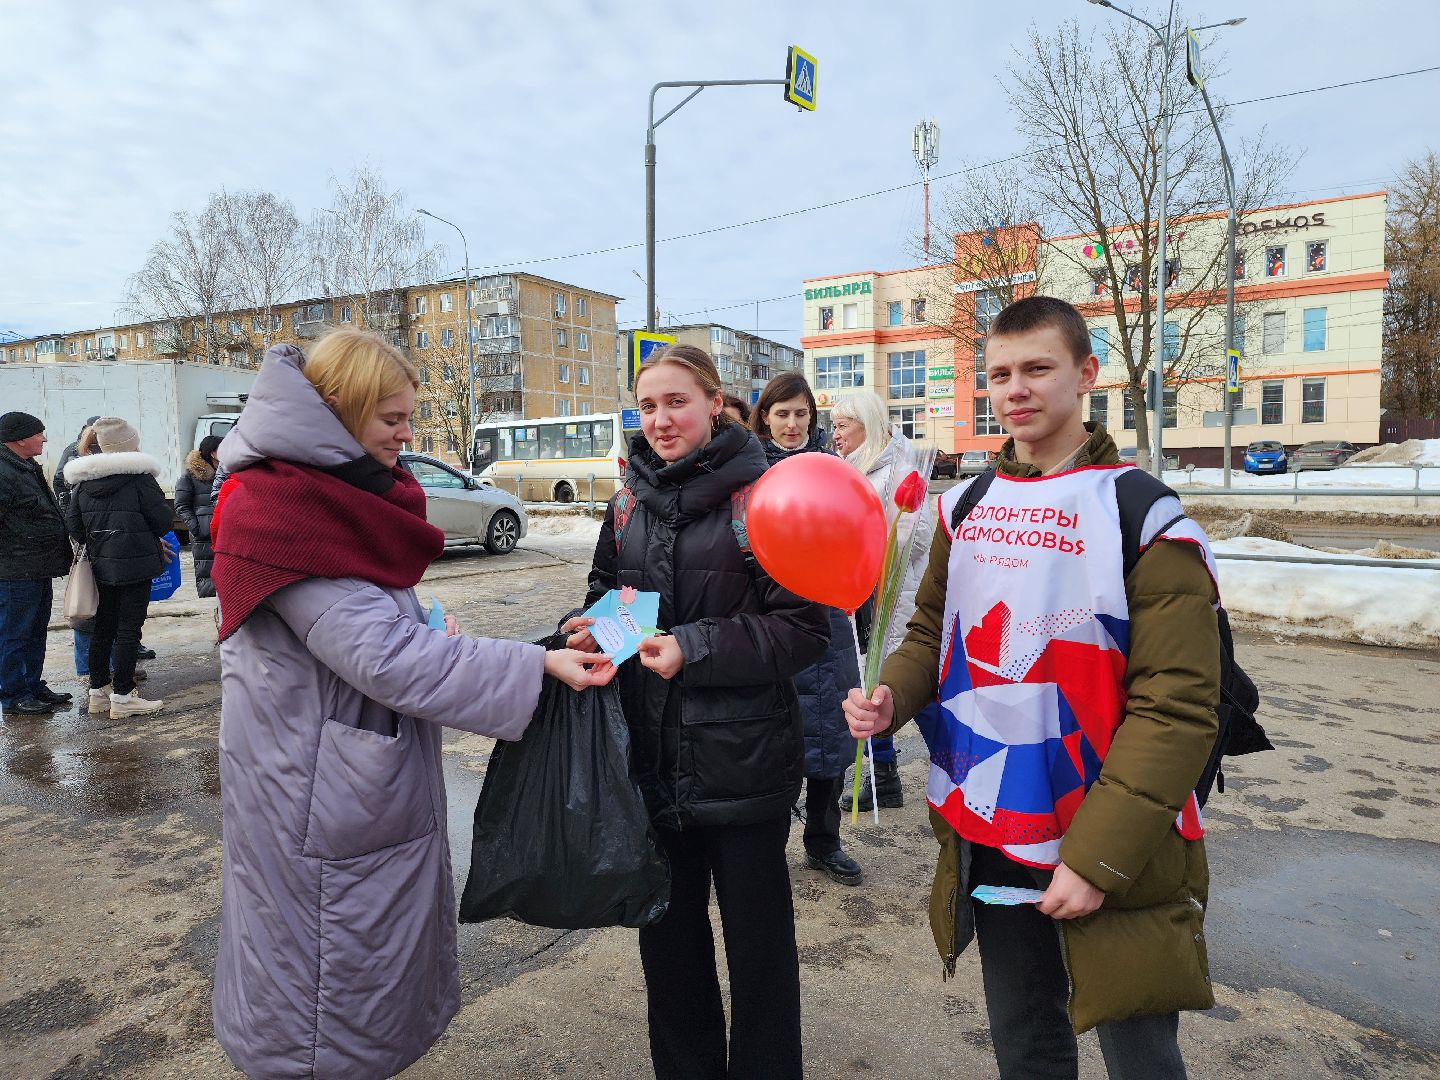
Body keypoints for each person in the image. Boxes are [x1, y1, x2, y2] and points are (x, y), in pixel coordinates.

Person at [209, 333, 609, 1080]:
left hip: (325, 779)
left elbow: (367, 632)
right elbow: (385, 659)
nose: (407, 435)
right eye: (391, 418)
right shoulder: (285, 514)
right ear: (339, 411)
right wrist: (535, 664)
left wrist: (424, 627)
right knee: (322, 1006)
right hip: (318, 797)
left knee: (333, 985)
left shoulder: (314, 496)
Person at [843, 296, 1220, 1080]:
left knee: (1141, 1055)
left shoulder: (1142, 514)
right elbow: (927, 633)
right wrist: (891, 698)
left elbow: (1176, 707)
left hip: (1117, 841)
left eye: (1037, 368)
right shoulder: (966, 507)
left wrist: (1096, 859)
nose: (1016, 389)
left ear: (1085, 374)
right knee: (1026, 1043)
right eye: (1000, 374)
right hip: (995, 822)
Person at [562, 344, 828, 1080]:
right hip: (652, 772)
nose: (660, 420)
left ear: (716, 402)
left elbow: (805, 630)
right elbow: (616, 604)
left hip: (744, 772)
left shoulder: (766, 498)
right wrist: (591, 630)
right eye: (647, 407)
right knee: (670, 955)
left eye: (676, 402)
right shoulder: (626, 504)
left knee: (760, 959)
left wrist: (694, 645)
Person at [752, 371, 865, 886]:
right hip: (771, 622)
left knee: (830, 736)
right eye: (783, 414)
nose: (793, 424)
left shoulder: (834, 468)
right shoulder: (749, 473)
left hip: (829, 619)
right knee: (774, 742)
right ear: (766, 417)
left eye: (802, 414)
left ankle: (824, 842)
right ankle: (765, 846)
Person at [829, 390, 934, 813]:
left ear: (867, 426)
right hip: (861, 597)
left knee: (901, 689)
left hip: (891, 599)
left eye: (843, 425)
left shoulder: (900, 470)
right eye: (834, 425)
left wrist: (872, 537)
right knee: (870, 688)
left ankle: (949, 768)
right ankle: (883, 776)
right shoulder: (854, 467)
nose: (834, 434)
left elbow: (919, 535)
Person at [63, 417, 173, 720]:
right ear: (130, 445)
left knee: (103, 627)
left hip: (101, 565)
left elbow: (74, 527)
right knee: (128, 630)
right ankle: (124, 696)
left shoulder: (83, 483)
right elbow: (162, 522)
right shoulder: (140, 478)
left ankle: (98, 692)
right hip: (137, 563)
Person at [0, 411, 74, 715]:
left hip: (36, 566)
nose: (44, 438)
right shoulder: (3, 472)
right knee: (15, 633)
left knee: (35, 629)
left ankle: (31, 685)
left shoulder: (24, 466)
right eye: (39, 433)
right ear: (19, 439)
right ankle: (13, 693)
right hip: (15, 570)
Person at [175, 434, 222, 598]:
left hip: (224, 531)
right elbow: (181, 505)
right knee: (206, 573)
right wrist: (196, 528)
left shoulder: (225, 473)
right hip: (204, 533)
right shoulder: (190, 476)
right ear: (212, 453)